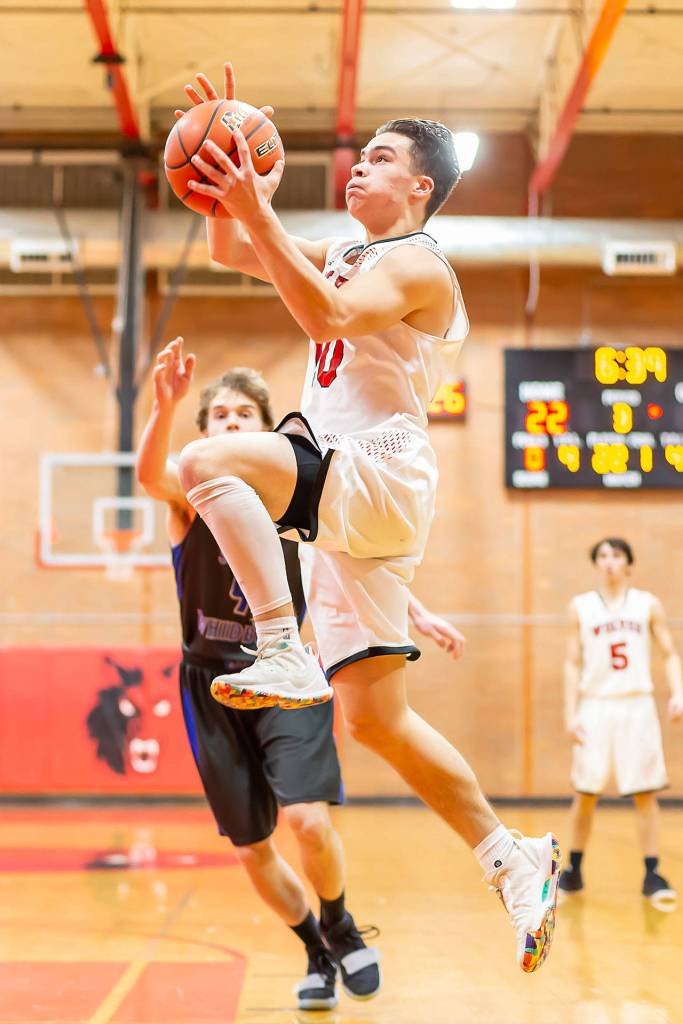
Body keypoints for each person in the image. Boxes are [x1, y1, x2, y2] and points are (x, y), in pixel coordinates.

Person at [174, 63, 561, 973]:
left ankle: (279, 643)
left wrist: (259, 211)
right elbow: (236, 252)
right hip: (351, 488)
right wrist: (234, 179)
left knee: (207, 461)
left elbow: (330, 319)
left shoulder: (418, 262)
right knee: (377, 722)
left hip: (375, 466)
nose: (356, 168)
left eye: (378, 159)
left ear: (419, 185)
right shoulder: (352, 249)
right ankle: (512, 859)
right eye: (357, 157)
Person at [136, 337, 468, 1008]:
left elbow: (354, 559)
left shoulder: (292, 502)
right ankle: (316, 949)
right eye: (218, 417)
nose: (230, 426)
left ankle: (341, 923)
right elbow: (149, 475)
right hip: (212, 684)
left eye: (242, 417)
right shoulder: (189, 497)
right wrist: (165, 405)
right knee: (253, 850)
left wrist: (418, 612)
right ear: (204, 435)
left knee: (309, 823)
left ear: (264, 432)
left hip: (289, 683)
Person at [559, 537, 683, 904]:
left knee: (645, 792)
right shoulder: (580, 607)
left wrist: (678, 691)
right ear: (596, 564)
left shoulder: (647, 604)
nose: (609, 562)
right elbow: (570, 662)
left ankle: (652, 872)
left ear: (629, 563)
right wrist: (570, 713)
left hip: (636, 704)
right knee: (585, 791)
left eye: (616, 555)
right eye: (602, 556)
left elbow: (669, 653)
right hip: (595, 704)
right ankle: (573, 869)